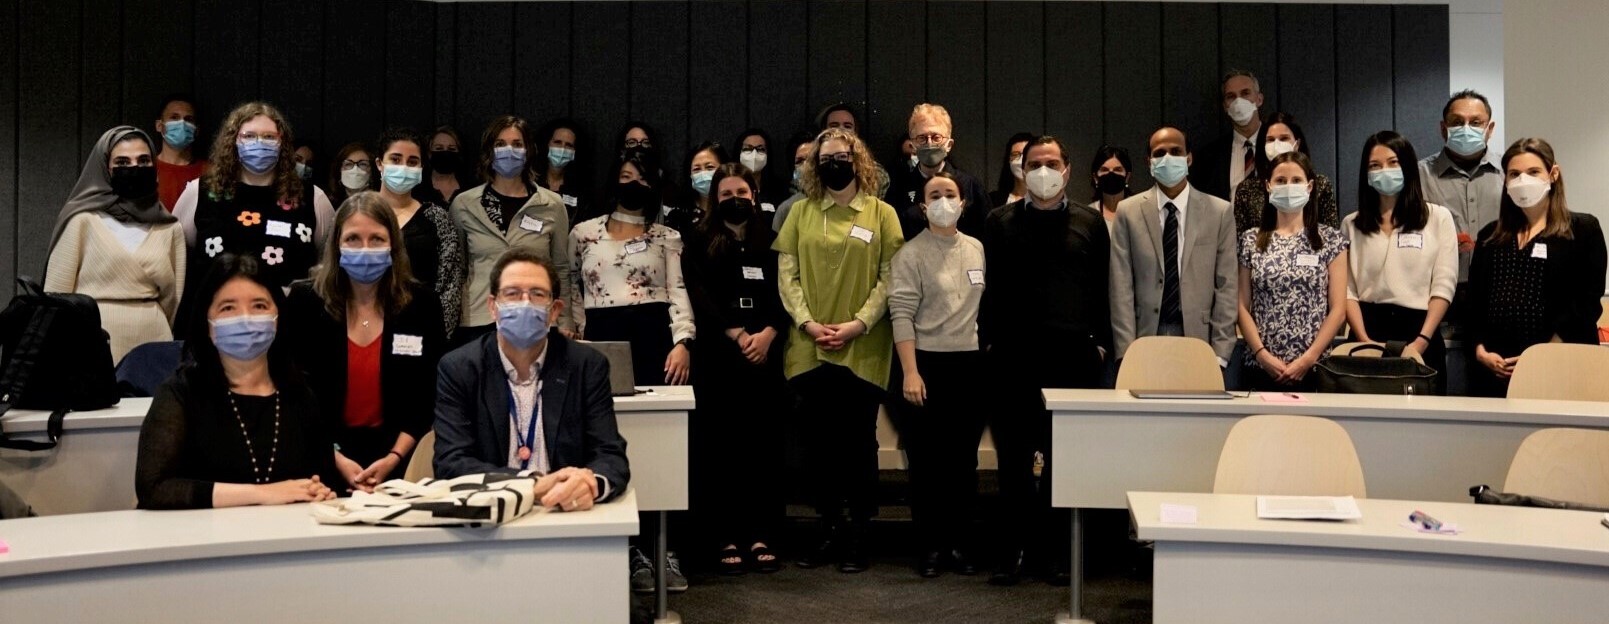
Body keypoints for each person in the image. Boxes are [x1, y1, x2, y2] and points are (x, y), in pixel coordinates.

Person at [980, 135, 1110, 585]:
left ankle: (1057, 553)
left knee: (1062, 460)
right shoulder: (998, 222)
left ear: (1068, 170)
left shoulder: (1091, 223)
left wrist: (1100, 345)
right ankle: (1014, 550)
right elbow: (989, 291)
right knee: (1014, 461)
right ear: (1021, 169)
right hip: (1014, 359)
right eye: (1034, 162)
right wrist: (991, 343)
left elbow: (1102, 290)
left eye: (1051, 162)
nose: (1042, 170)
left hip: (1073, 359)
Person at [775, 127, 904, 573]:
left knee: (857, 445)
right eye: (825, 157)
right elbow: (786, 275)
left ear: (858, 160)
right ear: (814, 166)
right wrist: (808, 323)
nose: (834, 163)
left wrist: (856, 325)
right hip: (809, 348)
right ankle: (827, 527)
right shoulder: (799, 213)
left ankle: (859, 532)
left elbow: (891, 278)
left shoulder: (882, 214)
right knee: (818, 447)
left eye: (841, 155)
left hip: (863, 347)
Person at [431, 249, 630, 513]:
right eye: (512, 294)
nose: (524, 303)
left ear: (554, 310)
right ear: (493, 306)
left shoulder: (586, 366)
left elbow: (611, 456)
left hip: (565, 513)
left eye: (537, 294)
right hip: (490, 520)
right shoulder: (460, 368)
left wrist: (591, 483)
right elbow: (450, 462)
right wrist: (529, 484)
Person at [135, 253, 340, 510]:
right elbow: (154, 489)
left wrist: (317, 492)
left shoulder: (301, 393)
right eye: (228, 307)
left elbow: (325, 480)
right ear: (207, 321)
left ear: (278, 315)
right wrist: (262, 494)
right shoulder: (181, 392)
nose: (246, 318)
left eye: (259, 306)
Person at [285, 192, 445, 492]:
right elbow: (294, 391)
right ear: (336, 245)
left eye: (376, 240)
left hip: (400, 460)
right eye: (354, 239)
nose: (365, 249)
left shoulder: (422, 305)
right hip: (320, 456)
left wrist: (393, 458)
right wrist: (334, 457)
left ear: (393, 246)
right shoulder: (306, 302)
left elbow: (427, 394)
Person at [682, 164, 787, 575]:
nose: (734, 199)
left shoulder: (774, 241)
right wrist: (737, 333)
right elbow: (698, 292)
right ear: (715, 200)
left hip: (765, 356)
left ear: (754, 193)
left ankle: (761, 534)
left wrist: (768, 333)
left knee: (761, 449)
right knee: (720, 450)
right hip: (720, 358)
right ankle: (724, 536)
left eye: (741, 191)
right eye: (725, 194)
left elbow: (787, 290)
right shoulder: (699, 240)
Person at [889, 172, 986, 579]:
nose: (944, 200)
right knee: (927, 465)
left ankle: (960, 545)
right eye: (935, 195)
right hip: (924, 367)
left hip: (969, 367)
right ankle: (929, 547)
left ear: (963, 203)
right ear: (923, 206)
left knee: (962, 463)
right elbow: (901, 315)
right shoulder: (910, 254)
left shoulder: (978, 248)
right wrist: (910, 372)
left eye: (951, 194)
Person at [172, 101, 336, 330]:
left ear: (283, 143)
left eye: (269, 137)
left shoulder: (312, 198)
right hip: (216, 323)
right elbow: (176, 256)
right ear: (233, 141)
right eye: (249, 136)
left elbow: (327, 264)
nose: (260, 143)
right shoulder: (199, 192)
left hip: (290, 326)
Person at [1465, 138, 1606, 397]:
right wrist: (1479, 349)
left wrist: (1543, 355)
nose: (1523, 180)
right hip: (1497, 367)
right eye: (1514, 174)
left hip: (1561, 363)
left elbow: (1587, 302)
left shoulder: (1583, 230)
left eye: (1533, 172)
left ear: (1553, 174)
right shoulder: (1490, 236)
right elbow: (1474, 303)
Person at [45, 126, 185, 363]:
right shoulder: (82, 221)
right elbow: (56, 296)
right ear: (105, 168)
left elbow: (174, 299)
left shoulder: (170, 227)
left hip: (154, 341)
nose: (134, 168)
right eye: (122, 162)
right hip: (91, 340)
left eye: (143, 160)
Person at [1110, 128, 1238, 371]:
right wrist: (1126, 353)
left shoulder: (1219, 212)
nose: (1168, 158)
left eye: (1176, 151)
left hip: (1199, 337)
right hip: (1144, 335)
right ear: (1149, 162)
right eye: (1160, 153)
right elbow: (1120, 286)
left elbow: (1227, 285)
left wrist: (1220, 354)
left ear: (1189, 158)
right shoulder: (1128, 211)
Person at [1342, 131, 1458, 393]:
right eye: (1375, 165)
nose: (1385, 171)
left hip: (1419, 331)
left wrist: (1421, 341)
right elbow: (1347, 289)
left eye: (1393, 163)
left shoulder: (1437, 218)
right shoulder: (1351, 224)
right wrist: (1363, 340)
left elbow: (1444, 284)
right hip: (1367, 331)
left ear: (1407, 166)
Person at [569, 156, 694, 387]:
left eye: (642, 179)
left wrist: (682, 342)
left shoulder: (666, 236)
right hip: (599, 332)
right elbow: (569, 280)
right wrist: (578, 326)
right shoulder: (582, 233)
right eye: (626, 177)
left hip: (652, 332)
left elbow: (677, 289)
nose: (634, 184)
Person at [451, 115, 574, 345]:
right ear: (489, 151)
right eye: (501, 144)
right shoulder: (464, 204)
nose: (509, 150)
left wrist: (565, 321)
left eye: (517, 144)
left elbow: (560, 268)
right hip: (479, 317)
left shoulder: (552, 204)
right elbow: (459, 268)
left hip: (535, 316)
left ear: (528, 150)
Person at [1237, 152, 1350, 391]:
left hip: (1315, 367)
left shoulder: (1330, 239)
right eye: (1280, 181)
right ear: (1268, 186)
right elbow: (1240, 306)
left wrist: (1308, 359)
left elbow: (1339, 310)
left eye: (1296, 180)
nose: (1288, 186)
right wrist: (1261, 355)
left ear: (1309, 187)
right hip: (1260, 367)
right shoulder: (1250, 240)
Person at [370, 128, 463, 337]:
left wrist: (438, 336)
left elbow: (450, 284)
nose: (403, 167)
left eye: (412, 162)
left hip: (421, 331)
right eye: (395, 159)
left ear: (421, 167)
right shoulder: (357, 214)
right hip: (364, 326)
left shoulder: (437, 218)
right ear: (379, 164)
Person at [1418, 89, 1505, 310]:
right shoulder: (1418, 176)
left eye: (1476, 122)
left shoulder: (1509, 172)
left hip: (1500, 291)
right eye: (1457, 122)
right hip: (1436, 292)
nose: (1466, 129)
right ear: (1443, 128)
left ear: (1490, 129)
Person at [885, 104, 992, 239]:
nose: (929, 143)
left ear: (949, 145)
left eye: (936, 137)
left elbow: (987, 236)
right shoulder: (898, 188)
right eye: (922, 138)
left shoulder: (970, 187)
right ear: (912, 145)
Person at [1231, 112, 1340, 236]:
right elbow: (1238, 239)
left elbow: (1332, 235)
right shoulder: (1247, 189)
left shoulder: (1320, 185)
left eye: (1284, 138)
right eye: (1270, 140)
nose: (1277, 145)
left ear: (1297, 144)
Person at [1192, 69, 1266, 202]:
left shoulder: (1281, 145)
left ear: (1259, 99)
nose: (1238, 101)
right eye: (1231, 96)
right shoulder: (1208, 157)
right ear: (1225, 107)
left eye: (1245, 93)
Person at [813, 102, 891, 198]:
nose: (841, 130)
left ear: (856, 132)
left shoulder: (877, 174)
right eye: (834, 126)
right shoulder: (811, 169)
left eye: (847, 126)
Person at [153, 94, 206, 212]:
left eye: (189, 119)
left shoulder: (211, 172)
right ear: (159, 125)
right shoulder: (146, 170)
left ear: (196, 130)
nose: (182, 123)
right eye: (174, 117)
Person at [533, 117, 591, 224]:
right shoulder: (530, 183)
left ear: (574, 152)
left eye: (569, 145)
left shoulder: (580, 190)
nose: (562, 148)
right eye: (557, 142)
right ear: (547, 145)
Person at [664, 141, 729, 233]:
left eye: (710, 167)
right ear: (690, 175)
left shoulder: (732, 208)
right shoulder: (679, 214)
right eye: (697, 169)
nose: (703, 174)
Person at [770, 133, 816, 233]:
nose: (806, 165)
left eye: (812, 159)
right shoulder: (786, 209)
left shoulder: (844, 199)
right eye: (799, 161)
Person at [734, 128, 789, 209]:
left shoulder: (781, 190)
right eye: (748, 149)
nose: (754, 154)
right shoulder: (729, 187)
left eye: (760, 149)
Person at [1088, 144, 1134, 226]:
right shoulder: (1088, 215)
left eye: (1117, 170)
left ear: (1127, 177)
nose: (1111, 174)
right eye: (1104, 170)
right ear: (1095, 177)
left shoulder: (1140, 211)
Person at [424, 126, 470, 205]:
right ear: (429, 153)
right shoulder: (418, 188)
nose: (445, 153)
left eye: (452, 149)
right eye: (439, 148)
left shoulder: (470, 189)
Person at [989, 132, 1034, 209]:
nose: (1022, 160)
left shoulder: (1051, 201)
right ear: (1008, 160)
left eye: (1027, 154)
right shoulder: (992, 200)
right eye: (1016, 154)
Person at [327, 141, 375, 207]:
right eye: (348, 164)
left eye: (363, 164)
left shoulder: (379, 204)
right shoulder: (329, 204)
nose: (355, 169)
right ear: (339, 170)